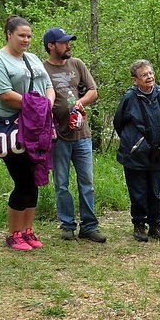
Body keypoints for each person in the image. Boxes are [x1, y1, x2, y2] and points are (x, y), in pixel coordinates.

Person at [0, 16, 55, 251]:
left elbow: (48, 86)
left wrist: (46, 105)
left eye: (29, 36)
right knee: (22, 180)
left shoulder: (33, 59)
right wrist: (36, 105)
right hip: (13, 127)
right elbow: (3, 94)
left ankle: (28, 230)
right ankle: (13, 234)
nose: (26, 40)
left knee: (35, 179)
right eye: (21, 35)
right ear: (8, 34)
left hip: (38, 127)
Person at [42, 27, 105, 243]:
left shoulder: (77, 63)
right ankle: (67, 224)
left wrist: (81, 102)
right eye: (64, 42)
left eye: (69, 42)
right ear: (51, 45)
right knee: (61, 183)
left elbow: (93, 90)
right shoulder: (42, 69)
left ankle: (89, 226)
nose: (68, 46)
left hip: (82, 135)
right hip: (58, 136)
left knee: (86, 181)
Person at [113, 60, 160, 242]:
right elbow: (118, 122)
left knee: (155, 190)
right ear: (135, 79)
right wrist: (134, 141)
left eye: (151, 73)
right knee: (138, 192)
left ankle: (156, 225)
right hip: (135, 153)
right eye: (144, 74)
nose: (149, 77)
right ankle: (139, 224)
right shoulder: (129, 97)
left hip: (157, 151)